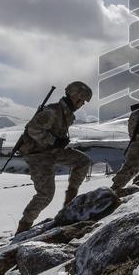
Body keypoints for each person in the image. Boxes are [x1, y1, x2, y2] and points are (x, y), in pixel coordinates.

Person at [14, 81, 94, 235]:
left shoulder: (67, 114)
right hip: (38, 156)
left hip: (52, 151)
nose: (83, 104)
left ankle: (69, 204)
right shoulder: (52, 111)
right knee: (46, 194)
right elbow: (32, 129)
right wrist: (54, 140)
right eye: (82, 100)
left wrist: (58, 142)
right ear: (75, 96)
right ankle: (23, 226)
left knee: (82, 161)